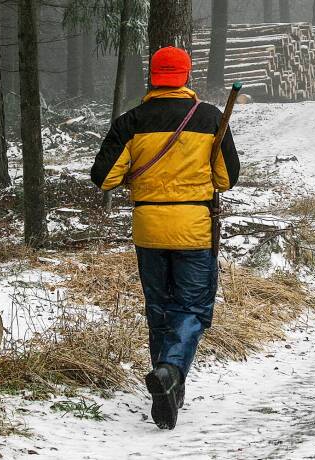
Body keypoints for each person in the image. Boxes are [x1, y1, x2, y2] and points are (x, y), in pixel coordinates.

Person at [90, 46, 240, 430]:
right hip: (193, 227)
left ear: (153, 77)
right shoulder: (210, 119)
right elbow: (226, 179)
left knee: (158, 309)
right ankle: (171, 370)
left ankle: (168, 390)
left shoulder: (131, 122)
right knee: (192, 309)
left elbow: (103, 177)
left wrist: (138, 177)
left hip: (149, 228)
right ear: (186, 76)